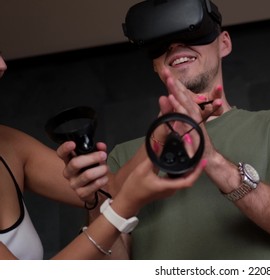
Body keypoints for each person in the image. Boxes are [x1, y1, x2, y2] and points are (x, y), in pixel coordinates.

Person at [98, 0, 270, 259]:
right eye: (161, 43)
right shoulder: (123, 159)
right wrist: (94, 202)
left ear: (224, 43)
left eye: (190, 34)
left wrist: (211, 158)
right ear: (155, 65)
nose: (175, 46)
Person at [0, 53, 206, 259]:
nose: (2, 65)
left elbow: (111, 190)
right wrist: (122, 209)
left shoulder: (8, 144)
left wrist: (163, 127)